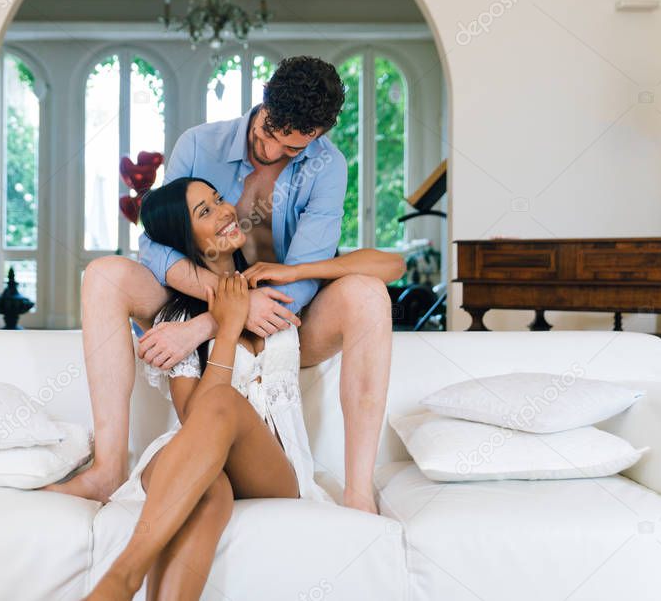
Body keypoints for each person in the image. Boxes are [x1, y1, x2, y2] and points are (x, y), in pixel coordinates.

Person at [46, 56, 403, 513]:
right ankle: (107, 471)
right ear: (264, 101)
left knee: (369, 293)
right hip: (194, 294)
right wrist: (223, 307)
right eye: (267, 131)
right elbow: (156, 246)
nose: (271, 150)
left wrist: (208, 327)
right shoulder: (199, 143)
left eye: (291, 148)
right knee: (103, 274)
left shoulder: (328, 167)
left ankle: (357, 494)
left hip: (283, 316)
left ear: (317, 134)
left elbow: (306, 271)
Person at [85, 178, 402, 601]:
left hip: (270, 467)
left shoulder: (281, 289)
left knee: (222, 400)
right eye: (204, 212)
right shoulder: (176, 317)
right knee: (208, 492)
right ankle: (130, 585)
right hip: (194, 457)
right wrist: (227, 323)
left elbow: (390, 265)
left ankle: (121, 578)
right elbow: (194, 423)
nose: (224, 212)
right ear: (186, 240)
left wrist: (295, 272)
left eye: (218, 200)